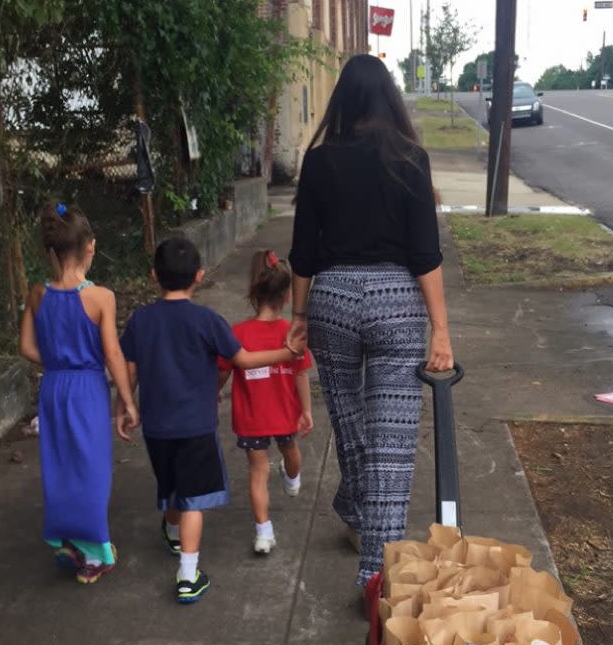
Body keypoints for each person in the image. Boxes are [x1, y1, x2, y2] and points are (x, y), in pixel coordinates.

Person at [288, 53, 454, 589]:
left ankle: (353, 510)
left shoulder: (318, 162)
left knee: (352, 426)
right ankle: (373, 581)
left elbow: (302, 252)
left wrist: (297, 315)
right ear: (390, 101)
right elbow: (425, 253)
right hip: (396, 303)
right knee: (393, 444)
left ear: (342, 100)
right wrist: (441, 330)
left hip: (332, 299)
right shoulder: (409, 158)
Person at [115, 236, 302, 603]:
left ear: (154, 275)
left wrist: (122, 406)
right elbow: (243, 360)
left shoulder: (141, 320)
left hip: (157, 426)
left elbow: (130, 369)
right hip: (196, 426)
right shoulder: (207, 321)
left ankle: (171, 534)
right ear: (199, 276)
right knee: (193, 500)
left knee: (170, 485)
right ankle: (188, 574)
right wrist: (286, 351)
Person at [18, 202, 139, 583]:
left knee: (60, 466)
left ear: (50, 250)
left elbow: (25, 347)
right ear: (90, 247)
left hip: (53, 386)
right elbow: (113, 353)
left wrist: (57, 363)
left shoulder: (37, 293)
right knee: (91, 468)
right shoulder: (101, 297)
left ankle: (68, 542)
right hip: (87, 388)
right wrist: (127, 399)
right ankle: (95, 554)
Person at [218, 249, 313, 555]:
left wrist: (212, 392)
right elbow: (300, 375)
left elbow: (222, 371)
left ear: (254, 292)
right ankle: (292, 477)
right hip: (285, 414)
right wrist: (307, 410)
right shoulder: (292, 335)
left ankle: (263, 532)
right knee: (291, 452)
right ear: (287, 297)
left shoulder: (238, 333)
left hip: (252, 418)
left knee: (258, 472)